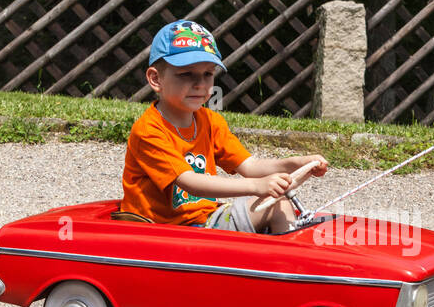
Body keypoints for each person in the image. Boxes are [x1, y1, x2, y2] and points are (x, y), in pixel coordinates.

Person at [119, 19, 328, 233]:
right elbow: (189, 181)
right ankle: (287, 261)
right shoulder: (149, 130)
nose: (200, 83)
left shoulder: (210, 121)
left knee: (276, 199)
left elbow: (250, 167)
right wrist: (256, 186)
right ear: (156, 79)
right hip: (164, 230)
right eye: (186, 74)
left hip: (203, 220)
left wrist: (294, 164)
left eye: (208, 74)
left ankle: (278, 253)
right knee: (275, 204)